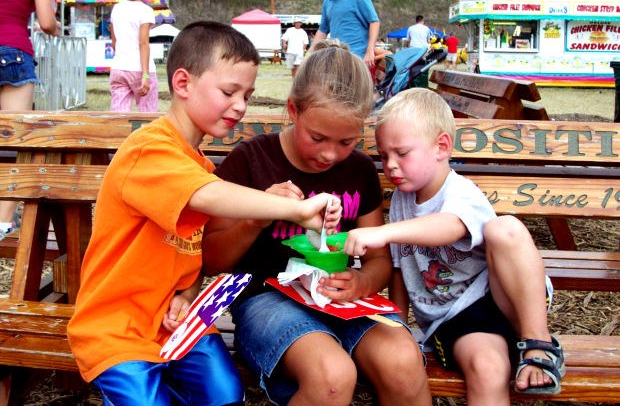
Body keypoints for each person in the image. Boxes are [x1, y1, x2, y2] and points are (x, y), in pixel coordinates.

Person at [67, 21, 341, 406]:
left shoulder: (198, 167)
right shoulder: (149, 150)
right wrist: (295, 209)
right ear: (182, 84)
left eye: (247, 94)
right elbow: (206, 197)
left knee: (224, 393)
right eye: (229, 92)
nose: (241, 106)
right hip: (118, 326)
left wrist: (190, 290)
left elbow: (193, 249)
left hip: (176, 322)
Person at [198, 45, 431, 406]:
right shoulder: (252, 161)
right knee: (332, 376)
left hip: (342, 300)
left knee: (403, 361)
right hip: (265, 300)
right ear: (293, 110)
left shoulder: (359, 170)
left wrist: (363, 282)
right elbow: (213, 260)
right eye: (317, 138)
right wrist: (259, 214)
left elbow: (379, 261)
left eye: (346, 142)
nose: (329, 154)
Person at [343, 88, 566, 405]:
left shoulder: (460, 193)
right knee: (487, 368)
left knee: (507, 228)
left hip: (506, 296)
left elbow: (449, 227)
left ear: (441, 146)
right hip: (457, 320)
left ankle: (538, 345)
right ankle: (520, 352)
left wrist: (383, 232)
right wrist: (400, 326)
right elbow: (399, 268)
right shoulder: (404, 201)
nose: (390, 165)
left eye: (402, 153)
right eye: (383, 155)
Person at [0, 0, 59, 240]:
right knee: (16, 140)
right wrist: (56, 27)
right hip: (14, 55)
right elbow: (46, 22)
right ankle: (3, 220)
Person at [308, 0, 380, 69]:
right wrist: (309, 54)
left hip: (357, 59)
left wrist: (370, 51)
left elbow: (374, 22)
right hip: (336, 58)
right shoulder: (327, 1)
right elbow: (323, 30)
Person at [109, 0, 158, 112]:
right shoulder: (145, 11)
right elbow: (143, 43)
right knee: (147, 115)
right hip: (139, 68)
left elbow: (114, 42)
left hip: (119, 68)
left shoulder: (116, 9)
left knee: (118, 117)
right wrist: (145, 74)